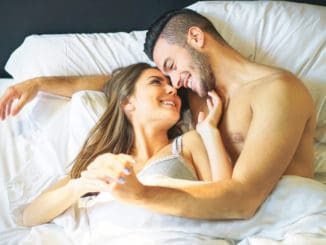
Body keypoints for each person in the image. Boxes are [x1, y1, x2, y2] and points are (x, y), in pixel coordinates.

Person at [0, 9, 316, 220]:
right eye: (164, 79)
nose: (174, 84)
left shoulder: (277, 90)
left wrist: (141, 195)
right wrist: (40, 83)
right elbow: (119, 86)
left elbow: (244, 200)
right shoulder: (195, 94)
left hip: (280, 218)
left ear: (195, 37)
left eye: (171, 67)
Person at [21, 62, 232, 226]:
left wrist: (210, 132)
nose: (172, 89)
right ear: (127, 102)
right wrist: (82, 185)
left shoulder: (188, 142)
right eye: (156, 82)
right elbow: (30, 216)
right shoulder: (105, 162)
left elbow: (227, 200)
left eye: (172, 86)